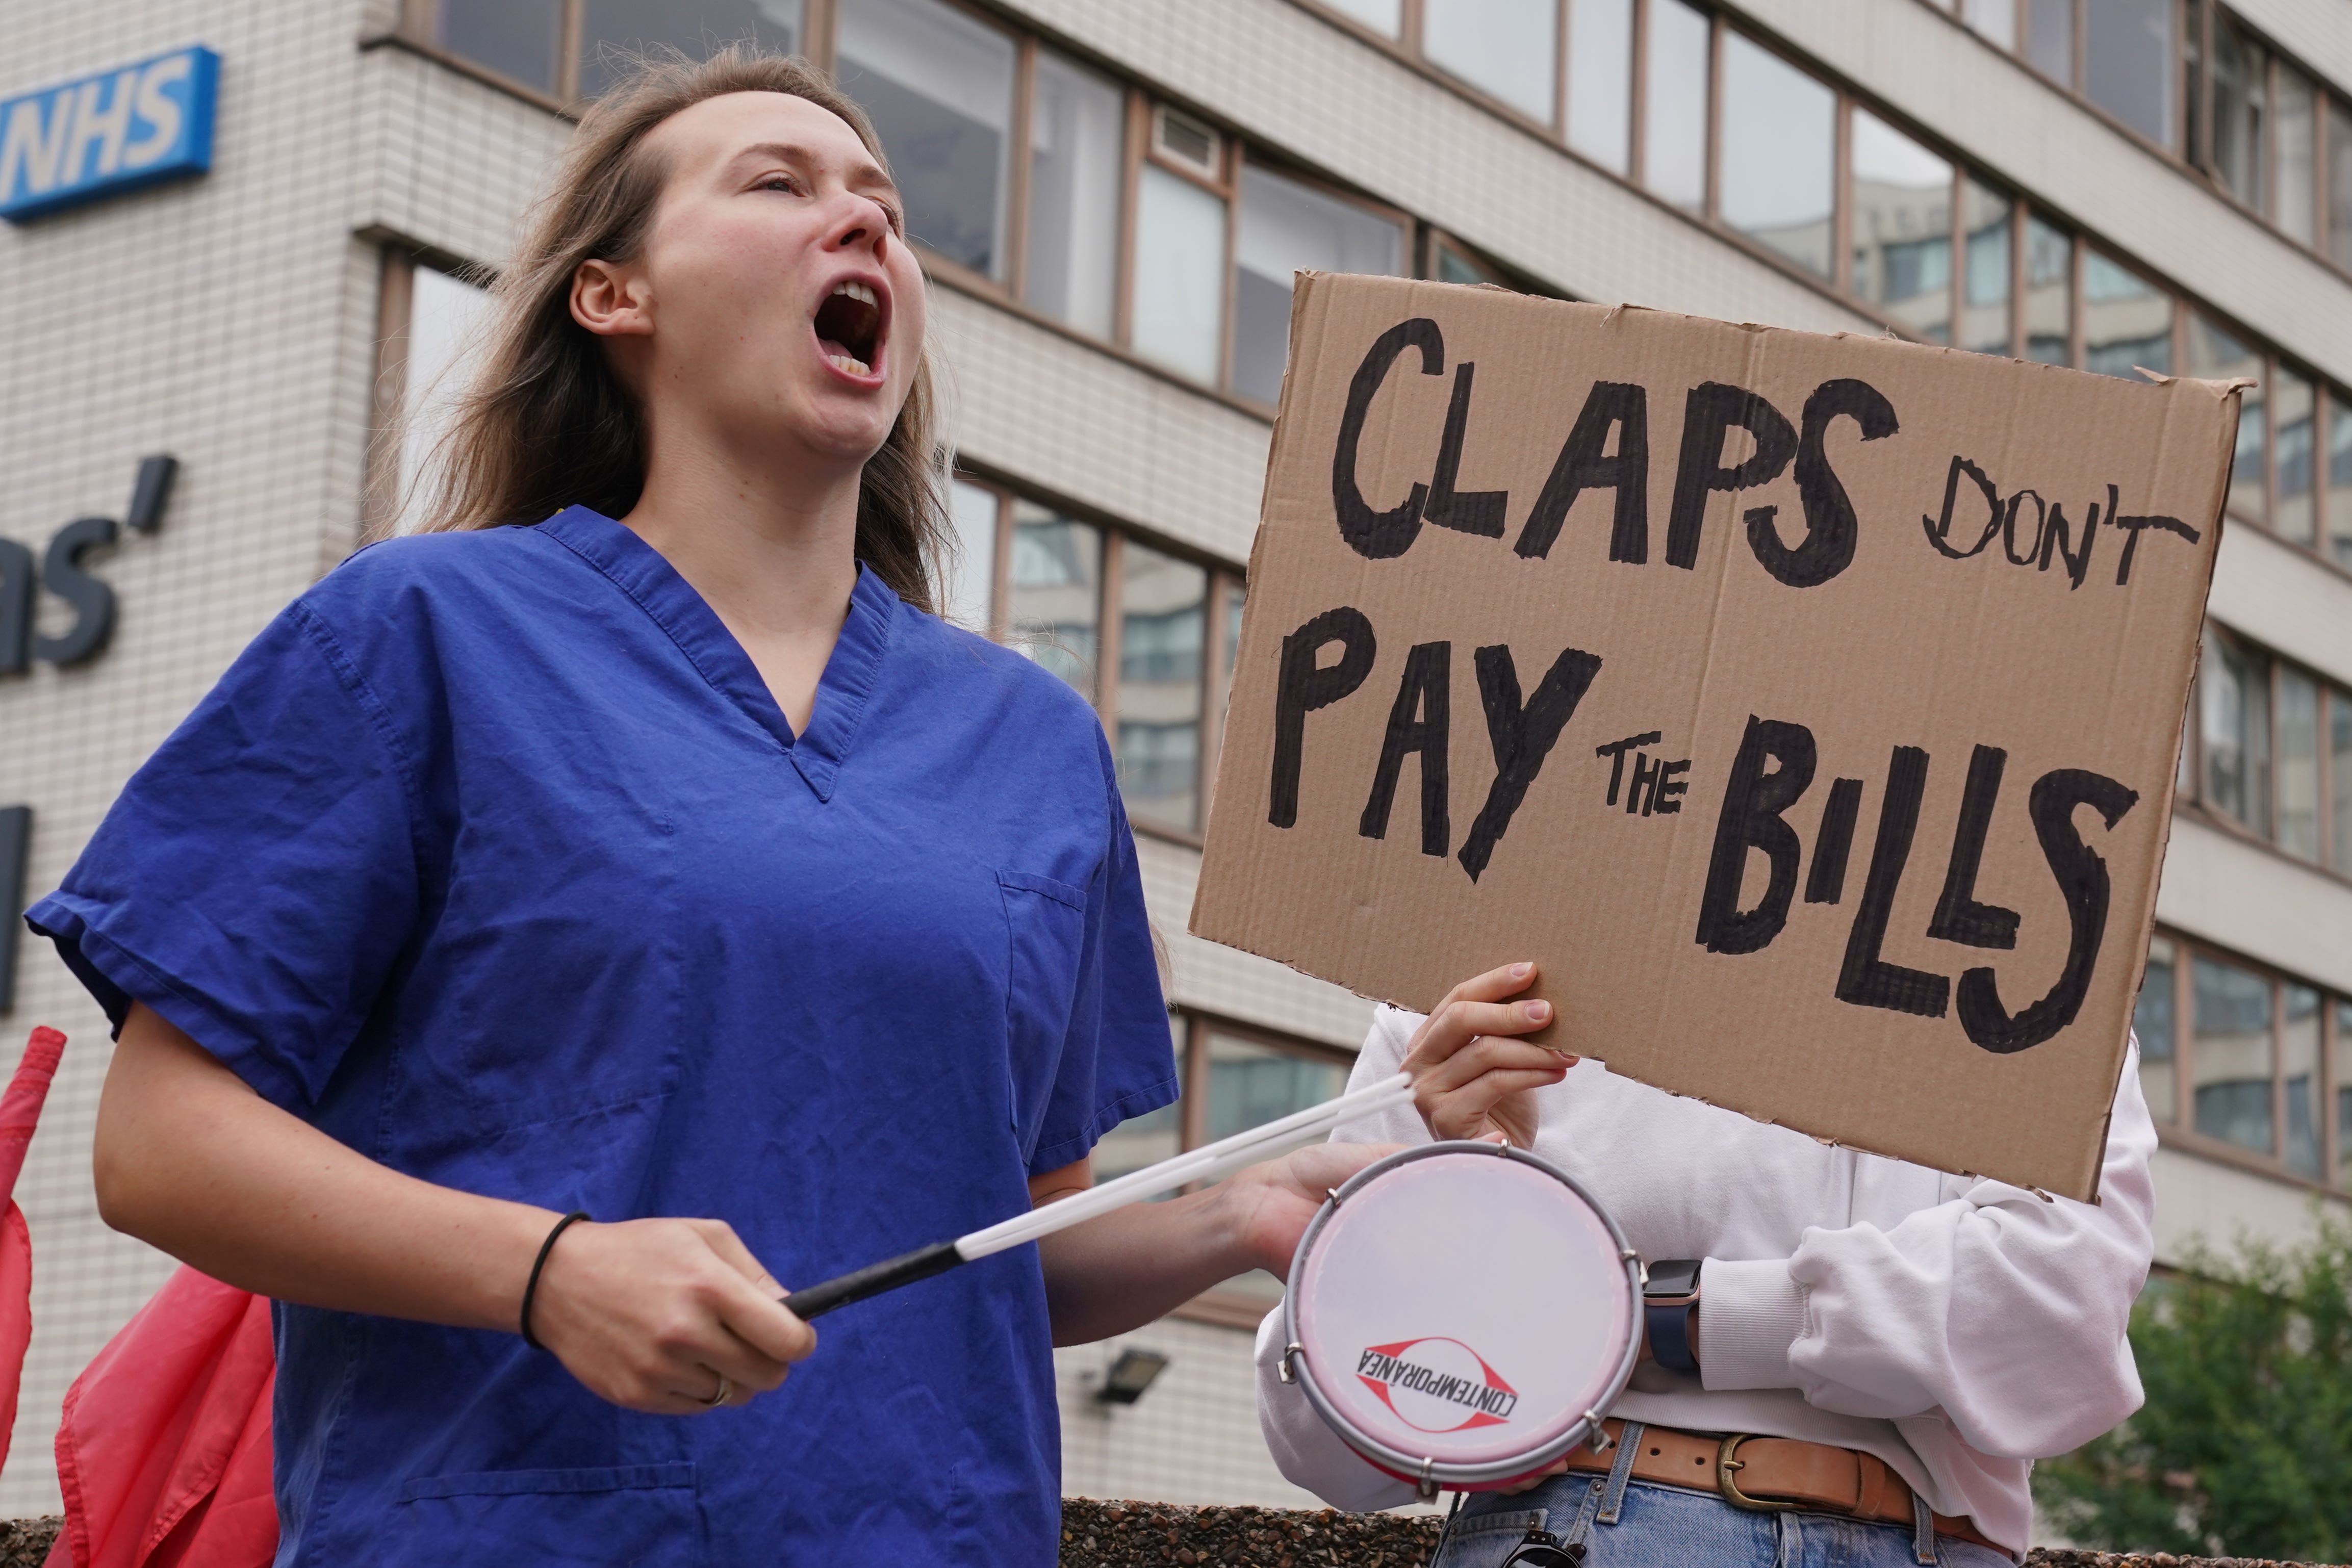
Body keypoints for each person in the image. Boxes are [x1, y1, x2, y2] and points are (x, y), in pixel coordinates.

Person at [26, 49, 1571, 1568]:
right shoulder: (418, 633)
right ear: (610, 295)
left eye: (884, 206)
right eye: (778, 183)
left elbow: (1011, 1247)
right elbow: (161, 1146)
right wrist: (545, 1268)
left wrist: (1247, 1206)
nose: (864, 225)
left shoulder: (1029, 739)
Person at [1255, 1004, 2159, 1567]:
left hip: (1927, 1538)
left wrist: (1640, 1319)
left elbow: (2059, 1318)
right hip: (1579, 1526)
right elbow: (1320, 1439)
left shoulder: (2041, 978)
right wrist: (1480, 1202)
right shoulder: (1477, 983)